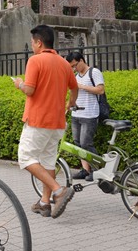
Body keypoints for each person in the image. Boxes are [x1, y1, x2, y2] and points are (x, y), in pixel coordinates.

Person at [13, 24, 78, 219]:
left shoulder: (35, 61)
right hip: (57, 122)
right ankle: (44, 202)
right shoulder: (64, 63)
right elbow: (75, 89)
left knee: (25, 158)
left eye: (33, 42)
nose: (32, 46)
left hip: (38, 120)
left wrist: (19, 84)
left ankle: (59, 191)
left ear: (39, 43)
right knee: (48, 161)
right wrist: (69, 104)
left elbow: (30, 90)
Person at [65, 51, 105, 181]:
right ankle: (85, 170)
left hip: (90, 114)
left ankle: (97, 170)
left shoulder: (94, 72)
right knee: (77, 144)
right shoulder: (75, 76)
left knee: (86, 143)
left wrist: (82, 86)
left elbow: (100, 90)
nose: (74, 69)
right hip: (76, 113)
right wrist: (67, 107)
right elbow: (73, 95)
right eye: (72, 67)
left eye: (75, 65)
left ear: (81, 60)